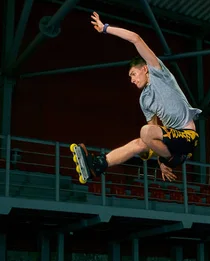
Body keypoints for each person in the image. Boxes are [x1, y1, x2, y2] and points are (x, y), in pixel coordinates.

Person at [75, 12, 201, 183]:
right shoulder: (145, 100)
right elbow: (154, 133)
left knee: (145, 132)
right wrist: (160, 160)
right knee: (140, 142)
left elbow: (135, 38)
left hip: (188, 138)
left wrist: (105, 28)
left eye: (133, 74)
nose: (132, 80)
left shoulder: (159, 73)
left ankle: (172, 158)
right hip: (171, 143)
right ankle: (98, 165)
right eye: (130, 77)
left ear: (145, 69)